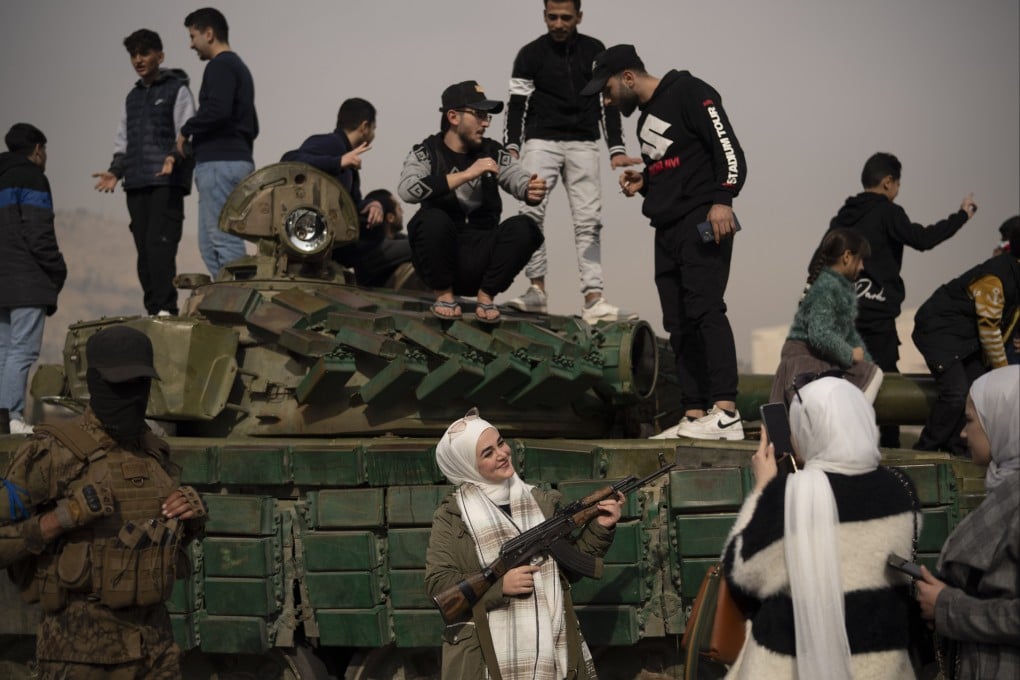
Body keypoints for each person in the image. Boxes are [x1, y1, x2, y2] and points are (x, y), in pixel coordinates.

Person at [0, 325, 207, 679]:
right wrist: (60, 519)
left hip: (156, 653)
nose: (130, 396)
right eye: (118, 385)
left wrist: (189, 519)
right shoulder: (51, 454)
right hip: (80, 657)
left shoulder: (154, 452)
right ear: (94, 383)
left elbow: (156, 538)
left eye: (139, 385)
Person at [582, 44, 747, 440]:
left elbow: (729, 151)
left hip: (703, 220)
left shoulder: (688, 91)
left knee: (706, 309)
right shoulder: (644, 121)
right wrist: (646, 182)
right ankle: (693, 413)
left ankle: (725, 411)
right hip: (667, 228)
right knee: (678, 323)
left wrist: (723, 199)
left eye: (606, 91)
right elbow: (679, 166)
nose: (606, 100)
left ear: (627, 77)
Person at [722, 377, 919, 679]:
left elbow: (742, 576)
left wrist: (762, 491)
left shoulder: (786, 495)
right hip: (880, 666)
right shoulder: (899, 490)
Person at [424, 408, 622, 679]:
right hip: (488, 661)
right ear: (467, 466)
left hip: (556, 654)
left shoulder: (539, 500)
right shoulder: (453, 515)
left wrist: (601, 526)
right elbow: (439, 584)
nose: (502, 453)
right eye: (487, 453)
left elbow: (572, 567)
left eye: (501, 442)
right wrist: (499, 586)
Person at [504, 0, 641, 324]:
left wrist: (617, 148)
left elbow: (608, 101)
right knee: (530, 213)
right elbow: (516, 105)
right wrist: (511, 145)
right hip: (540, 141)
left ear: (579, 16)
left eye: (566, 17)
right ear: (544, 16)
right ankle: (536, 290)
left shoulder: (595, 51)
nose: (559, 23)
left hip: (584, 143)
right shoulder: (529, 54)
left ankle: (594, 299)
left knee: (589, 221)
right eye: (553, 17)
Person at [830, 152, 977, 448]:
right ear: (888, 183)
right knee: (886, 390)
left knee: (844, 386)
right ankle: (891, 457)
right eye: (897, 185)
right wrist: (962, 216)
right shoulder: (888, 212)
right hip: (877, 320)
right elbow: (923, 239)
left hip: (843, 320)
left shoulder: (842, 217)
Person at [397, 80, 546, 323]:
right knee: (430, 220)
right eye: (479, 115)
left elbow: (515, 176)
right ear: (453, 117)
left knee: (526, 226)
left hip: (481, 257)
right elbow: (406, 190)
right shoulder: (425, 152)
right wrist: (467, 174)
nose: (486, 122)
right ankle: (444, 296)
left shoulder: (492, 151)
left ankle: (486, 297)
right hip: (442, 257)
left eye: (488, 116)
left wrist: (530, 188)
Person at [915, 365, 1019, 680]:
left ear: (1006, 420)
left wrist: (948, 608)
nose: (962, 432)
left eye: (972, 420)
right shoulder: (1005, 487)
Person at [92, 29, 196, 317]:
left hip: (167, 181)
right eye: (133, 55)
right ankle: (153, 308)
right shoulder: (132, 97)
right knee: (143, 250)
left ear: (159, 56)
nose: (138, 59)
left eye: (145, 53)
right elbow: (122, 140)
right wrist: (115, 171)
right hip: (136, 182)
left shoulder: (178, 89)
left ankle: (166, 308)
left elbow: (187, 132)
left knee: (160, 246)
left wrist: (174, 157)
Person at [911, 221, 1020, 456]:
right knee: (956, 392)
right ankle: (925, 452)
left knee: (976, 391)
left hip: (964, 339)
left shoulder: (1012, 275)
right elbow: (989, 329)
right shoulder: (998, 277)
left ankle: (957, 450)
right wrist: (1003, 373)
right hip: (940, 332)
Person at [280, 99, 401, 284]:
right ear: (365, 126)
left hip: (333, 237)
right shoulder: (331, 144)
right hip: (310, 235)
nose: (373, 134)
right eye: (373, 128)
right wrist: (338, 162)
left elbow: (352, 204)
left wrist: (372, 204)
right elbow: (289, 160)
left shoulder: (348, 158)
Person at [178, 7, 258, 278]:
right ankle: (227, 297)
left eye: (193, 36)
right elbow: (252, 125)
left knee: (223, 240)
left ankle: (243, 303)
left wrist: (186, 130)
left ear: (209, 34)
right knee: (209, 245)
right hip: (228, 162)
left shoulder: (221, 65)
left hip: (220, 164)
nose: (191, 44)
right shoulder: (239, 68)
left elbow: (218, 110)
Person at [0, 123, 66, 435]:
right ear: (37, 150)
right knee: (22, 351)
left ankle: (3, 418)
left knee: (2, 351)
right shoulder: (32, 178)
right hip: (26, 281)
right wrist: (57, 269)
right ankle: (12, 417)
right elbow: (39, 234)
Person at [770, 228, 883, 405]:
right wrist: (850, 354)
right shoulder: (828, 287)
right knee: (871, 378)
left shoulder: (836, 287)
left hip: (814, 359)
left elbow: (849, 335)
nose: (862, 267)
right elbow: (819, 333)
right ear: (847, 257)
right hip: (807, 363)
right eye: (860, 260)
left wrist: (865, 361)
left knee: (872, 373)